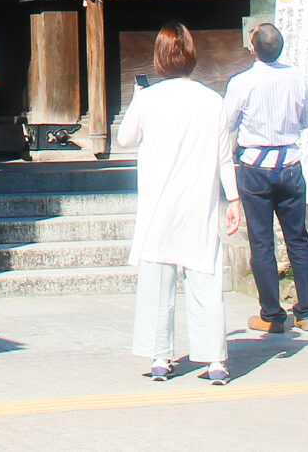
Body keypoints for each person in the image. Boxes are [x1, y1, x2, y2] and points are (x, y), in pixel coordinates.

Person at [113, 22, 239, 384]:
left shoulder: (149, 98)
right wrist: (233, 198)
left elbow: (124, 138)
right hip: (199, 201)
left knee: (157, 282)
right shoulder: (211, 99)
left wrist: (138, 97)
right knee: (205, 279)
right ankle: (215, 359)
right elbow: (224, 155)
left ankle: (161, 357)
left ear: (159, 58)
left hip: (159, 204)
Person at [224, 21, 308, 334]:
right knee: (298, 238)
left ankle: (272, 313)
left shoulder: (242, 81)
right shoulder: (296, 76)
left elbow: (226, 122)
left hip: (255, 166)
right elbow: (306, 120)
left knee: (262, 242)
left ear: (253, 48)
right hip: (290, 163)